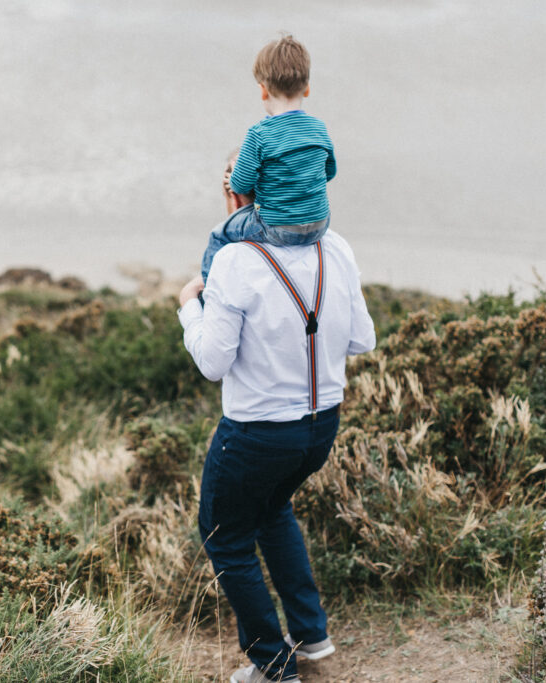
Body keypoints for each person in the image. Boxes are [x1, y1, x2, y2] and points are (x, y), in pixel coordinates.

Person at [178, 163, 375, 683]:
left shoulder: (234, 261)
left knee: (225, 536)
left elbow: (212, 363)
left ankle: (272, 663)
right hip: (320, 426)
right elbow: (362, 340)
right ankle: (310, 636)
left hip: (256, 433)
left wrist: (187, 309)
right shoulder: (335, 247)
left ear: (236, 194)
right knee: (272, 511)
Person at [201, 34, 335, 282]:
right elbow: (329, 172)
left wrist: (237, 182)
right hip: (320, 225)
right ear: (307, 87)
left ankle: (211, 292)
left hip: (277, 229)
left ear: (263, 91)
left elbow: (241, 185)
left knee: (218, 236)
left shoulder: (259, 134)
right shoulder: (319, 128)